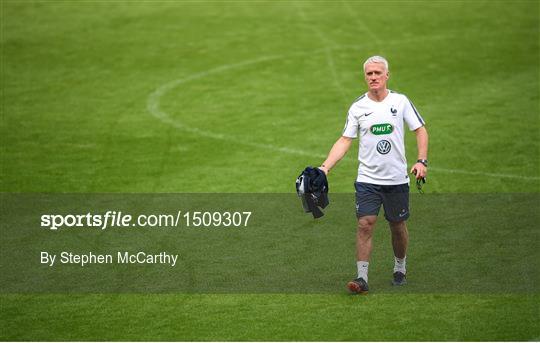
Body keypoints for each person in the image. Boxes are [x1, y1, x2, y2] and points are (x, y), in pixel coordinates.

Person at [318, 56, 428, 294]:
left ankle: (400, 267)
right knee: (364, 224)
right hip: (368, 179)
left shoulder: (400, 102)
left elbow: (420, 130)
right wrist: (324, 168)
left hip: (396, 179)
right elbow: (345, 139)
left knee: (397, 225)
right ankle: (362, 278)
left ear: (387, 75)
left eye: (378, 73)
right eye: (369, 74)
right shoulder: (358, 107)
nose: (374, 77)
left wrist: (421, 161)